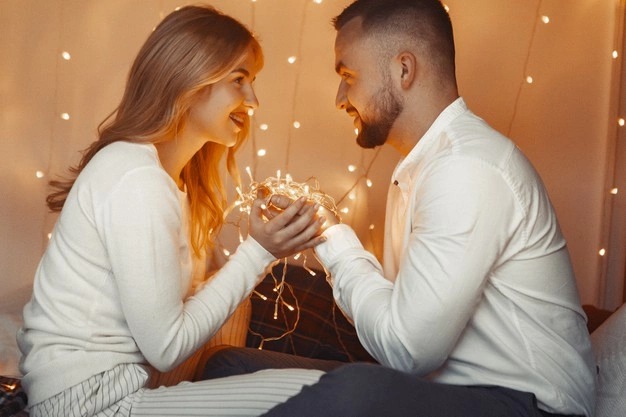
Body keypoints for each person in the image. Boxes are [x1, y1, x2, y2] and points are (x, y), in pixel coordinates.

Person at [204, 1, 597, 416]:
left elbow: (407, 350)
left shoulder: (467, 167)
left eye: (348, 76)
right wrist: (323, 230)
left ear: (403, 70)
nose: (340, 98)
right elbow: (403, 322)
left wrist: (335, 241)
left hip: (525, 405)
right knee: (231, 366)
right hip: (444, 392)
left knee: (356, 389)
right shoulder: (421, 166)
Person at [16, 5, 332, 417]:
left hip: (116, 391)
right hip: (89, 404)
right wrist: (258, 252)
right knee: (332, 394)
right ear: (190, 80)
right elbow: (166, 346)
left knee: (325, 387)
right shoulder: (135, 176)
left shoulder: (168, 181)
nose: (253, 101)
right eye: (239, 80)